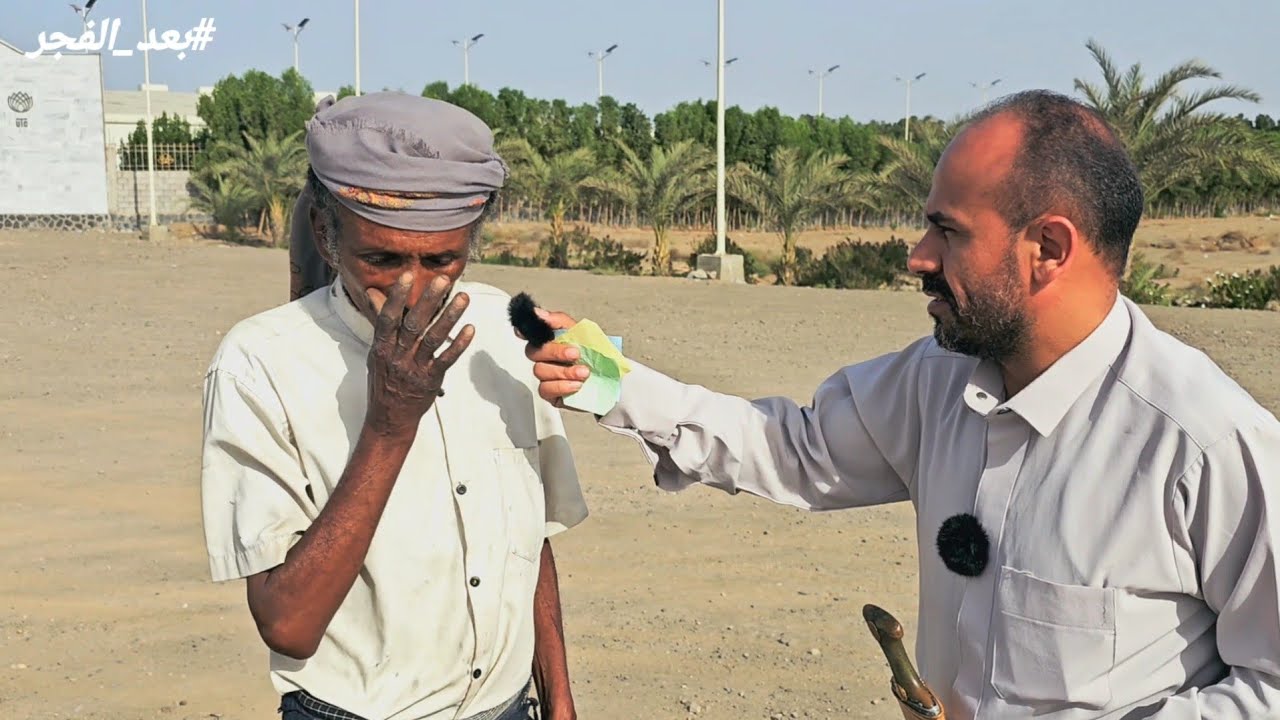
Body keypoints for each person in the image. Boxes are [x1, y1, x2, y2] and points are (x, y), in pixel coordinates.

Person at [524, 90, 1280, 719]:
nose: (917, 256)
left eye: (947, 231)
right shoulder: (936, 380)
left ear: (1048, 248)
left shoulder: (1205, 444)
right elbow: (795, 450)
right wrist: (617, 383)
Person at [200, 92, 589, 720]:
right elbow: (288, 624)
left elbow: (528, 537)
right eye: (381, 259)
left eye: (442, 259)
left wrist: (559, 699)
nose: (416, 286)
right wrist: (389, 422)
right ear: (326, 235)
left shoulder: (498, 330)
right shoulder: (260, 363)